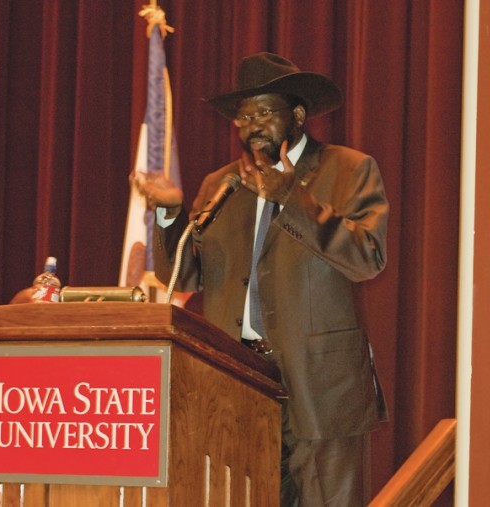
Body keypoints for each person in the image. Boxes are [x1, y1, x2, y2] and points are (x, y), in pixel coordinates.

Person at [137, 52, 389, 506]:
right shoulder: (221, 183)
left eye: (264, 112)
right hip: (238, 383)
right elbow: (183, 274)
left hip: (320, 385)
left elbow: (367, 258)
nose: (252, 124)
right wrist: (171, 214)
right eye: (243, 116)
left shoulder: (349, 169)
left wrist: (292, 197)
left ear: (296, 115)